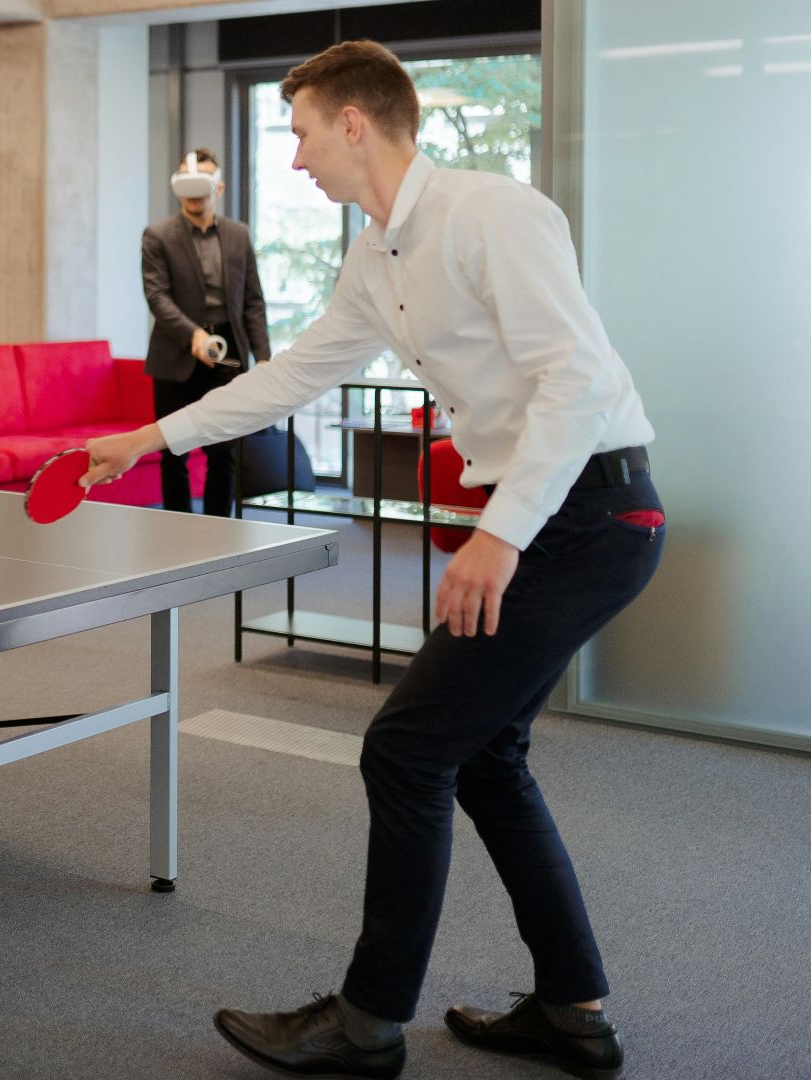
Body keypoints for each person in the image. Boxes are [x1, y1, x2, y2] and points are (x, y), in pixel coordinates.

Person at [86, 40, 658, 1080]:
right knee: (482, 755)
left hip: (590, 517)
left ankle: (365, 1024)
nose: (294, 157)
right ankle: (573, 1009)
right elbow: (295, 377)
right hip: (551, 517)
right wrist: (148, 439)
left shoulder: (495, 214)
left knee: (406, 748)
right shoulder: (374, 257)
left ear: (355, 121)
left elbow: (574, 380)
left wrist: (499, 534)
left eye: (301, 131)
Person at [140, 147, 270, 516]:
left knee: (223, 449)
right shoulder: (158, 235)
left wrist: (262, 359)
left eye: (203, 183)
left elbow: (253, 300)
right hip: (176, 353)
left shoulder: (238, 235)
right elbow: (157, 296)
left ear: (219, 188)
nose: (195, 192)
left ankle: (218, 530)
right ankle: (179, 530)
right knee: (173, 449)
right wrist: (193, 335)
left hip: (228, 351)